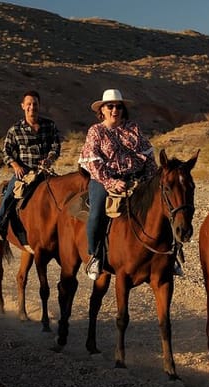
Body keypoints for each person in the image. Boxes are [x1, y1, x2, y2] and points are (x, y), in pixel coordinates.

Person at [79, 89, 157, 280]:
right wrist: (111, 182)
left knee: (162, 209)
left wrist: (149, 181)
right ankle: (95, 255)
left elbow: (148, 155)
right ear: (102, 110)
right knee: (97, 212)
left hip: (135, 178)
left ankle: (170, 257)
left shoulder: (133, 129)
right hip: (104, 180)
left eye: (118, 106)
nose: (115, 110)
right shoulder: (96, 131)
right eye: (110, 106)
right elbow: (93, 162)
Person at [0, 90, 61, 242]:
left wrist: (49, 159)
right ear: (23, 106)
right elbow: (6, 151)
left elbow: (56, 147)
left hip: (44, 171)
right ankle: (0, 227)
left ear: (39, 106)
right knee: (10, 195)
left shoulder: (50, 125)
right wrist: (15, 166)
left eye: (35, 104)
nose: (32, 107)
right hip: (24, 173)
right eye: (28, 104)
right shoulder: (15, 129)